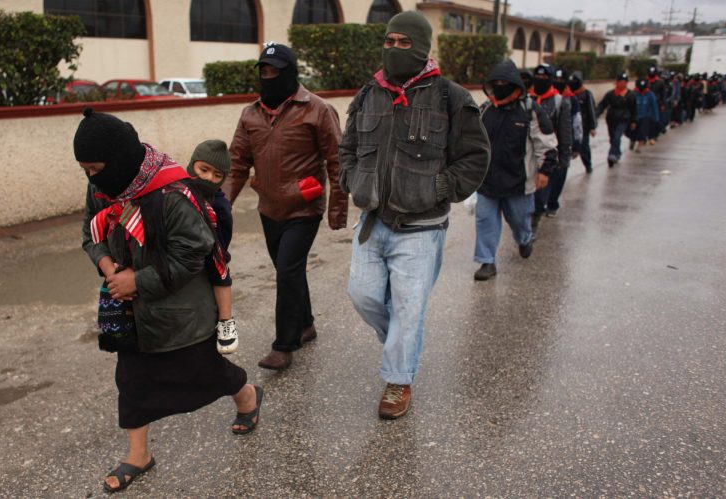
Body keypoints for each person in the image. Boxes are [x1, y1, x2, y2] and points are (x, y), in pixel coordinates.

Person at [76, 109, 263, 494]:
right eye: (86, 170)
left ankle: (246, 394)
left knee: (204, 372)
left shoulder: (172, 192)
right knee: (130, 381)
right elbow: (89, 232)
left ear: (118, 160)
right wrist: (109, 265)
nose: (92, 178)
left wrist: (137, 281)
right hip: (127, 309)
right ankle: (138, 455)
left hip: (179, 311)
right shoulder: (102, 188)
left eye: (95, 168)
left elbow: (192, 254)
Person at [339, 11, 490, 419]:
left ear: (421, 47)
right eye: (389, 41)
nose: (393, 49)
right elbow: (348, 147)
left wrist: (440, 188)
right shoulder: (369, 93)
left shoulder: (452, 98)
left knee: (409, 307)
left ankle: (398, 380)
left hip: (421, 229)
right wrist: (351, 180)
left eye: (404, 43)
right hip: (372, 221)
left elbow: (475, 158)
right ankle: (404, 345)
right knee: (363, 295)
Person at [223, 42, 348, 371]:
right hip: (269, 208)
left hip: (304, 208)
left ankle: (284, 344)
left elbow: (337, 162)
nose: (268, 77)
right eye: (263, 70)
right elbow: (237, 165)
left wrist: (338, 208)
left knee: (288, 271)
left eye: (275, 71)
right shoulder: (250, 114)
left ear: (291, 72)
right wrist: (219, 209)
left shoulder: (318, 110)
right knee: (287, 271)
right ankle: (305, 324)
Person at [473, 59, 558, 281]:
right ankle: (487, 262)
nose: (500, 86)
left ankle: (524, 239)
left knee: (520, 221)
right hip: (487, 181)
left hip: (518, 183)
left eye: (504, 82)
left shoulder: (530, 110)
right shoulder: (486, 109)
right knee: (485, 222)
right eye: (496, 82)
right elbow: (473, 142)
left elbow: (546, 143)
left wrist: (545, 171)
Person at [186, 139, 238, 354]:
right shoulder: (178, 191)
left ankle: (226, 321)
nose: (209, 178)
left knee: (221, 274)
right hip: (183, 252)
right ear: (192, 166)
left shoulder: (220, 203)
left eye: (217, 175)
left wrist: (218, 252)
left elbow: (225, 234)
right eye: (203, 170)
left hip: (212, 249)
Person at [530, 64, 571, 226]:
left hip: (549, 155)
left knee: (542, 192)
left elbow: (565, 132)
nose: (540, 80)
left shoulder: (560, 102)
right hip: (529, 154)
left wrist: (564, 157)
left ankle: (535, 220)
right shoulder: (527, 99)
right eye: (538, 77)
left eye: (544, 78)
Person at [596, 73, 637, 167]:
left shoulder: (631, 95)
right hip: (611, 119)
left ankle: (612, 155)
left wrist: (634, 121)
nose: (623, 84)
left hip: (623, 119)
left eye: (624, 82)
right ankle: (617, 152)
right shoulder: (610, 94)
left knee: (617, 136)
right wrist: (596, 114)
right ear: (617, 83)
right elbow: (602, 105)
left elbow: (634, 109)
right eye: (621, 82)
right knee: (613, 138)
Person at [568, 71, 598, 173]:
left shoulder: (586, 94)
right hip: (569, 126)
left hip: (583, 127)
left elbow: (591, 110)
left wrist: (593, 127)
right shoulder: (569, 94)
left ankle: (588, 165)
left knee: (584, 147)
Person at [627, 78, 659, 153]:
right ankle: (632, 140)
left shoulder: (650, 94)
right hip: (634, 117)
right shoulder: (633, 93)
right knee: (632, 131)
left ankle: (639, 147)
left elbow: (654, 106)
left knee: (642, 133)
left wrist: (656, 118)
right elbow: (628, 105)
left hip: (645, 117)